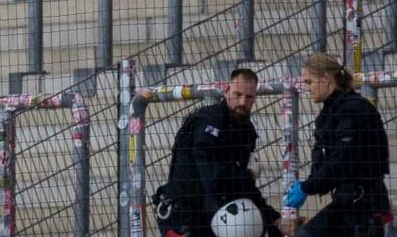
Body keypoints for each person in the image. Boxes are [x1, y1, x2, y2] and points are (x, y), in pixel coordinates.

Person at [159, 67, 280, 237]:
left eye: (249, 97)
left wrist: (272, 217)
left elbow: (241, 186)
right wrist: (249, 174)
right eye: (238, 94)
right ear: (226, 91)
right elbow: (214, 182)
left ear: (255, 98)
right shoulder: (207, 122)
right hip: (185, 218)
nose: (242, 102)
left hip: (214, 216)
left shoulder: (246, 130)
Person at [283, 54, 389, 237]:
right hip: (346, 204)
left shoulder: (353, 109)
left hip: (364, 210)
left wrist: (307, 187)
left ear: (325, 78)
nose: (307, 88)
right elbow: (326, 161)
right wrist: (309, 184)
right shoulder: (329, 113)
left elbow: (342, 159)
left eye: (309, 82)